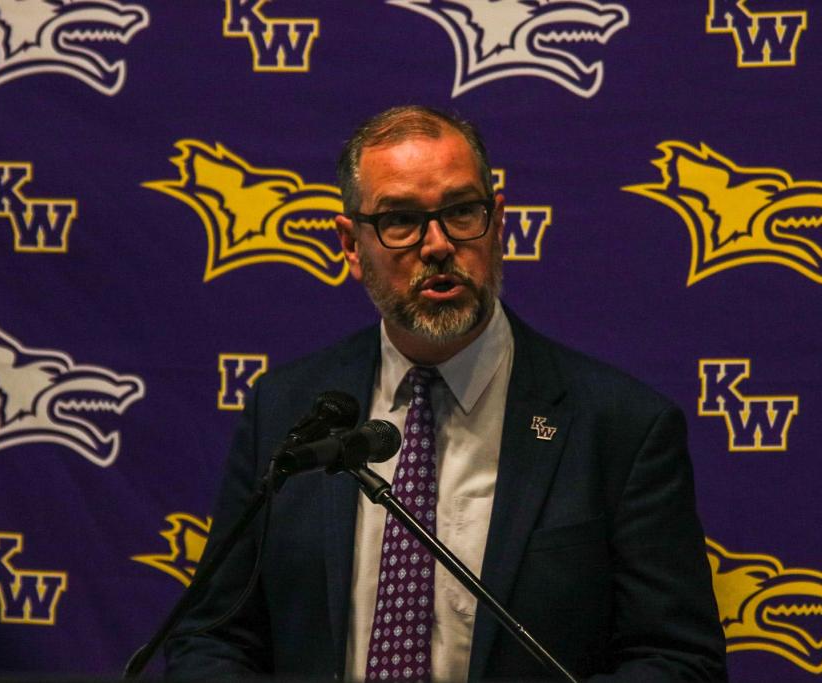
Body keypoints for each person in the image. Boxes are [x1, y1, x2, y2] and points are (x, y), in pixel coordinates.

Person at [164, 106, 727, 681]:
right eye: (400, 220)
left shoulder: (620, 426)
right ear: (351, 245)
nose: (437, 244)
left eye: (461, 212)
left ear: (498, 220)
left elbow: (678, 661)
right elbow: (213, 640)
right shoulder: (284, 410)